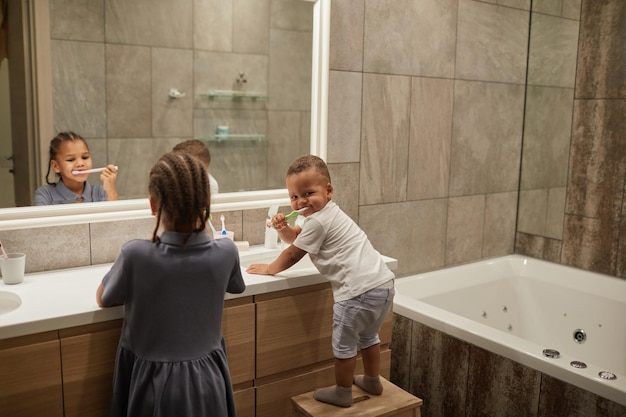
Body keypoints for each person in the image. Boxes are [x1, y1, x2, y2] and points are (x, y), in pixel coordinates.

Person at [96, 151, 245, 417]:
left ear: (153, 204)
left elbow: (104, 297)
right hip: (209, 382)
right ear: (207, 201)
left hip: (153, 388)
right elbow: (237, 286)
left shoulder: (136, 255)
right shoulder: (226, 252)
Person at [246, 154, 395, 408]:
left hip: (355, 294)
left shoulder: (318, 222)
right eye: (294, 197)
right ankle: (372, 380)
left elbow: (294, 253)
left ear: (328, 191)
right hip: (382, 287)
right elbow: (296, 238)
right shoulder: (329, 215)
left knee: (344, 346)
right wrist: (283, 228)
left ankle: (343, 392)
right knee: (370, 337)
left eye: (308, 193)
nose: (301, 201)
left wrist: (271, 269)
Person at [33, 131, 118, 205]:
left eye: (85, 157)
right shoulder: (45, 195)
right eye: (71, 160)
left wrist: (110, 188)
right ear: (56, 166)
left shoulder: (100, 192)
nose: (80, 163)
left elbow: (115, 222)